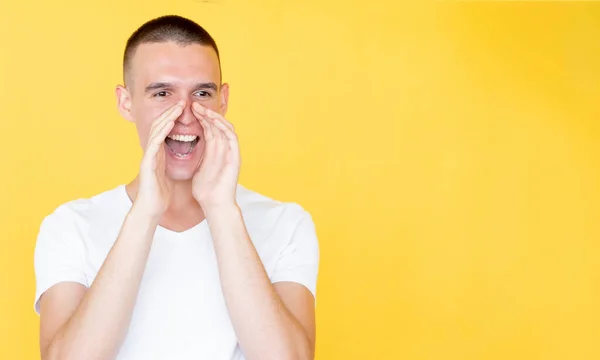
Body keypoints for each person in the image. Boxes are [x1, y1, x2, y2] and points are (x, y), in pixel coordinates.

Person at [33, 14, 319, 360]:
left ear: (223, 101)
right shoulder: (70, 226)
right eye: (162, 93)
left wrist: (221, 209)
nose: (185, 114)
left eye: (202, 92)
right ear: (126, 103)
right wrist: (144, 214)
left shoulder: (286, 223)